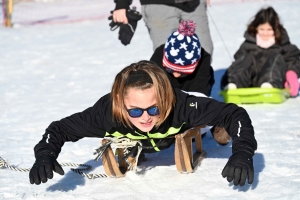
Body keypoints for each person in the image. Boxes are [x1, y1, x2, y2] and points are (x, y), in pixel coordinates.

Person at [29, 60, 257, 187]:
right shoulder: (106, 114)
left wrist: (242, 153)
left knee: (215, 122)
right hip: (145, 139)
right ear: (121, 103)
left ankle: (215, 130)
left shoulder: (181, 105)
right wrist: (45, 154)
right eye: (136, 110)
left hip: (182, 126)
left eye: (154, 108)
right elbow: (60, 129)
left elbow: (235, 114)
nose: (145, 117)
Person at [149, 19, 230, 145]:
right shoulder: (158, 56)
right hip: (166, 94)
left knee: (198, 111)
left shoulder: (203, 62)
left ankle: (215, 121)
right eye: (171, 69)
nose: (176, 74)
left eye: (182, 71)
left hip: (190, 94)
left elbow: (198, 97)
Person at [221, 6, 300, 97]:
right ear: (256, 28)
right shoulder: (248, 44)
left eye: (269, 30)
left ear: (276, 29)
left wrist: (292, 74)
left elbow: (294, 60)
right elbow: (239, 62)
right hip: (250, 80)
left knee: (276, 58)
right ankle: (233, 84)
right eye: (262, 29)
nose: (265, 33)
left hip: (275, 79)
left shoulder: (282, 44)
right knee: (246, 58)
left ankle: (269, 84)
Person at [112, 0, 214, 56]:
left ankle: (198, 93)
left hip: (194, 5)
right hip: (157, 5)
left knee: (204, 51)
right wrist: (122, 4)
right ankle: (171, 93)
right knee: (167, 54)